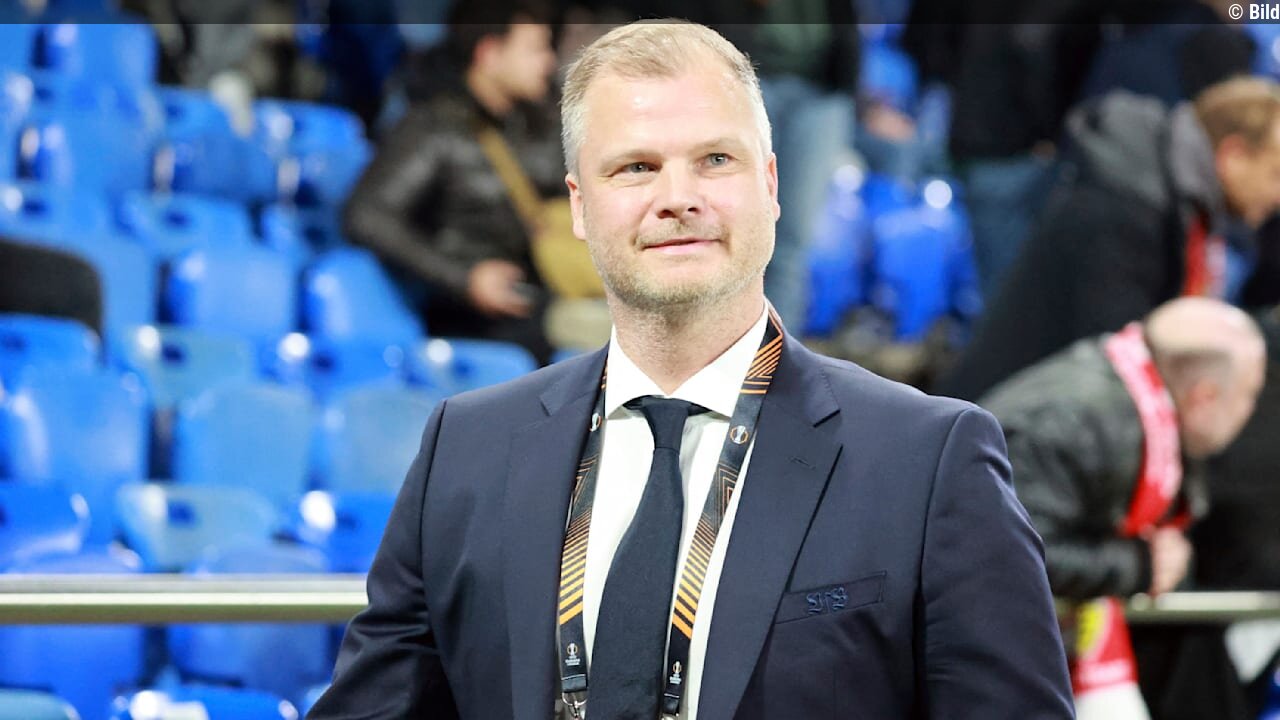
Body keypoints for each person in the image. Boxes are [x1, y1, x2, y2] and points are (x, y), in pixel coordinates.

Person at [308, 22, 1073, 720]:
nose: (677, 198)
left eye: (715, 160)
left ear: (770, 184)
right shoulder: (465, 451)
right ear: (579, 206)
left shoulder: (930, 461)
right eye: (636, 167)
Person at [978, 297, 1267, 719]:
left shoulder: (1131, 392)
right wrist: (1140, 565)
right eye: (1249, 395)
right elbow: (1009, 555)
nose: (1251, 412)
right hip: (992, 647)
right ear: (1203, 397)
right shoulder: (1071, 422)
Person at [940, 76, 1280, 401]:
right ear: (1234, 154)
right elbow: (1115, 369)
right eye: (1276, 174)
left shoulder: (1173, 199)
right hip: (1001, 421)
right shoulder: (1129, 208)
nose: (1277, 197)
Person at [342, 0, 560, 364]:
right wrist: (465, 279)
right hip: (467, 320)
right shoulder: (432, 127)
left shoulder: (528, 126)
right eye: (535, 49)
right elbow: (366, 214)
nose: (549, 63)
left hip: (534, 300)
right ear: (490, 53)